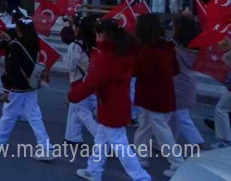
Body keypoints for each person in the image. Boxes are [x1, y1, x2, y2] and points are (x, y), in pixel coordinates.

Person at [69, 19, 150, 181]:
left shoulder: (107, 57)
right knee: (101, 138)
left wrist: (72, 96)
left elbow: (92, 82)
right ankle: (93, 170)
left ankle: (141, 177)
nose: (97, 38)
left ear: (105, 35)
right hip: (117, 101)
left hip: (110, 104)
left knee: (119, 144)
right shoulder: (124, 51)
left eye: (98, 35)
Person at [0, 17, 55, 160]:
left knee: (8, 113)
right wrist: (10, 41)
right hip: (31, 83)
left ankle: (0, 141)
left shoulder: (15, 45)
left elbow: (12, 69)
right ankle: (46, 147)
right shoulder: (34, 41)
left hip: (17, 86)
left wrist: (6, 89)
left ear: (19, 29)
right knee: (35, 115)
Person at [133, 13, 183, 177]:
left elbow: (139, 71)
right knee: (145, 124)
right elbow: (175, 70)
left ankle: (177, 163)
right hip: (164, 91)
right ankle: (140, 157)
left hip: (150, 93)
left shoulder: (146, 49)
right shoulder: (167, 46)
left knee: (160, 129)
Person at [62, 15, 98, 144]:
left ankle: (104, 141)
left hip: (79, 81)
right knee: (75, 109)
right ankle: (72, 136)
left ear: (78, 28)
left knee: (82, 112)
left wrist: (63, 59)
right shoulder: (94, 42)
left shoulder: (75, 45)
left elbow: (71, 65)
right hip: (91, 79)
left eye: (74, 25)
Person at [170, 15, 204, 147]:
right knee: (175, 115)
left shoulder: (178, 49)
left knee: (181, 115)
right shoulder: (194, 46)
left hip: (179, 83)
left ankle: (197, 140)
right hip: (186, 81)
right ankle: (169, 140)